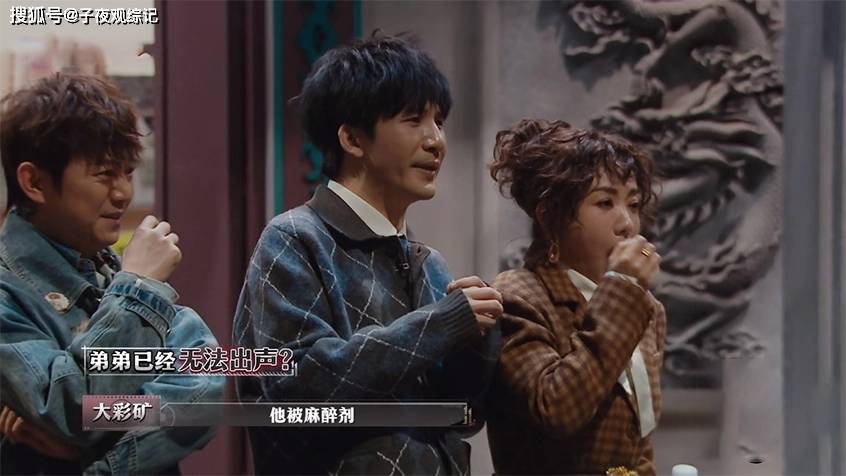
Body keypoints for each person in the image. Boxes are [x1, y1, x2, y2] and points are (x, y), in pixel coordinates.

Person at [233, 34, 503, 475]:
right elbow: (297, 390)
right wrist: (442, 324)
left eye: (439, 121)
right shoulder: (294, 238)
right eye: (413, 119)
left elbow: (461, 418)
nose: (436, 141)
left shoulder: (428, 262)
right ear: (353, 139)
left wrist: (479, 340)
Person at [0, 73, 223, 474]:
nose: (123, 193)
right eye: (104, 174)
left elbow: (202, 389)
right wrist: (140, 287)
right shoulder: (8, 290)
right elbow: (72, 406)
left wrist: (91, 458)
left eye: (128, 172)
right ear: (33, 182)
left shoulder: (110, 271)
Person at [486, 119, 666, 475]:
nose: (627, 224)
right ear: (551, 218)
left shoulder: (647, 308)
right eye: (605, 203)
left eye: (633, 204)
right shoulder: (518, 295)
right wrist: (622, 288)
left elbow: (638, 445)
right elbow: (557, 409)